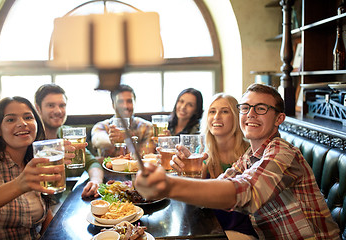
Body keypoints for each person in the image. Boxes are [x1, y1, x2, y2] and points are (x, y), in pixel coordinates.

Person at [135, 84, 340, 239]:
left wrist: (168, 184)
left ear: (279, 119)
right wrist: (184, 173)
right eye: (245, 108)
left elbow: (244, 192)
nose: (250, 114)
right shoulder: (250, 156)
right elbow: (223, 183)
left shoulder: (282, 151)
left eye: (261, 108)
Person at [0, 96, 74, 239]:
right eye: (10, 119)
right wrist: (18, 185)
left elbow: (47, 221)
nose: (22, 123)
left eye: (28, 117)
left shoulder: (34, 163)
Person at [171, 93, 257, 239]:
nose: (216, 116)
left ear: (236, 117)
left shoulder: (251, 152)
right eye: (212, 111)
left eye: (224, 111)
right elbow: (194, 197)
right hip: (208, 228)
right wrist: (183, 173)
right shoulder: (201, 153)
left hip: (242, 229)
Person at [34, 84, 103, 198]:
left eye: (62, 105)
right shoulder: (31, 137)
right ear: (38, 109)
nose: (58, 111)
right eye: (51, 105)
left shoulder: (68, 134)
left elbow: (92, 163)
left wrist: (96, 182)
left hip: (61, 203)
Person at [91, 84, 154, 157]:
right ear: (113, 104)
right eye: (120, 102)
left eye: (129, 101)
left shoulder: (147, 127)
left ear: (134, 103)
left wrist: (128, 139)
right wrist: (112, 139)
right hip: (107, 168)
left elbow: (147, 157)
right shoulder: (102, 126)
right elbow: (97, 140)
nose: (125, 106)